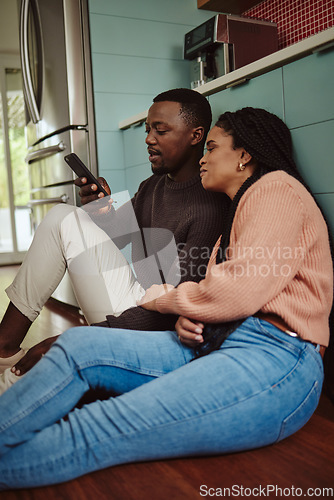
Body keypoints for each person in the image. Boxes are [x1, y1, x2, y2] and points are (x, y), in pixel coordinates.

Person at [0, 107, 332, 490]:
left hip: (276, 359)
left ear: (244, 155)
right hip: (224, 340)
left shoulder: (275, 189)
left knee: (100, 425)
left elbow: (235, 291)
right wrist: (200, 318)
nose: (205, 157)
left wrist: (166, 302)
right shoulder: (233, 207)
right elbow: (228, 290)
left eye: (212, 146)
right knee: (77, 346)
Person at [0, 88, 229, 383]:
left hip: (154, 327)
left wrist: (80, 340)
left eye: (160, 130)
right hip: (138, 299)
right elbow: (121, 235)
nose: (148, 138)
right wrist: (100, 209)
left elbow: (179, 309)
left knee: (49, 361)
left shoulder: (210, 205)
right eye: (148, 130)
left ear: (195, 136)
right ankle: (4, 347)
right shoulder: (153, 185)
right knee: (64, 216)